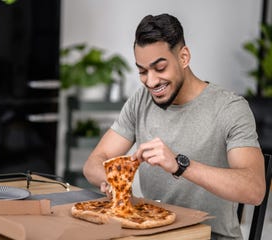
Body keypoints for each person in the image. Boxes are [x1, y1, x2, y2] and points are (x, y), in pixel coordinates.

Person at [83, 13, 266, 240]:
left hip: (212, 235)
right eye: (142, 71)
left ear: (184, 57)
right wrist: (112, 180)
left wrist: (180, 165)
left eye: (159, 68)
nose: (150, 81)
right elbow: (94, 162)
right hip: (154, 231)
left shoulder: (230, 108)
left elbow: (255, 189)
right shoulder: (141, 101)